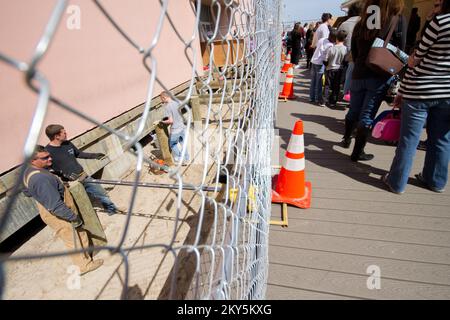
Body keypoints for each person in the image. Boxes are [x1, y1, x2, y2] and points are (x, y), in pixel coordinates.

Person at [383, 0, 450, 194]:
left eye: (437, 4)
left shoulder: (439, 22)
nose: (434, 8)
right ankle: (435, 181)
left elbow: (415, 60)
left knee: (409, 140)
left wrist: (408, 59)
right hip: (447, 93)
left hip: (420, 90)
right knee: (442, 140)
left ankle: (396, 182)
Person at [342, 0, 407, 162]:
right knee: (367, 115)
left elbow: (355, 49)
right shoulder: (396, 20)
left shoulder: (363, 21)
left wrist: (360, 63)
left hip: (358, 72)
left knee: (353, 110)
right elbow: (401, 48)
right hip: (379, 74)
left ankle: (346, 139)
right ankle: (357, 153)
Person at [23, 145, 104, 275]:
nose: (50, 159)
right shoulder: (40, 179)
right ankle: (84, 266)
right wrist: (73, 217)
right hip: (57, 212)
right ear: (33, 160)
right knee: (72, 238)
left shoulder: (29, 171)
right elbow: (55, 205)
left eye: (49, 155)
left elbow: (26, 192)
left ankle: (86, 255)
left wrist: (56, 187)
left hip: (50, 206)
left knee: (79, 233)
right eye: (45, 158)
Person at [45, 124, 120, 215]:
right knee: (79, 205)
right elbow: (48, 170)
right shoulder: (47, 152)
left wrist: (95, 156)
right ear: (56, 136)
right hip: (70, 183)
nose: (66, 133)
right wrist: (62, 175)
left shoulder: (67, 143)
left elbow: (79, 154)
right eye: (64, 133)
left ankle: (111, 210)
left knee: (101, 193)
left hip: (83, 176)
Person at [338, 2, 363, 101]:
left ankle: (346, 92)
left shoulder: (344, 24)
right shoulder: (364, 23)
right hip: (360, 53)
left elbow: (338, 38)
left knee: (348, 73)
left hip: (346, 53)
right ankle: (352, 95)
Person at [160, 91, 190, 164]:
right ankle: (186, 158)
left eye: (162, 99)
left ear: (165, 97)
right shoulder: (177, 103)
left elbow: (170, 121)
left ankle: (181, 158)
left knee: (172, 144)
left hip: (175, 129)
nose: (162, 101)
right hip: (182, 126)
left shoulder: (167, 107)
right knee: (183, 143)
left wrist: (163, 122)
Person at [310, 29, 337, 106]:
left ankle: (311, 97)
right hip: (320, 63)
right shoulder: (330, 45)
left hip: (314, 60)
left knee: (313, 81)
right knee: (319, 82)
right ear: (334, 38)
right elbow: (327, 57)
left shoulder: (322, 39)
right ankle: (318, 98)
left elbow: (316, 47)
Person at [324, 30, 348, 108]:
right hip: (340, 70)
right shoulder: (346, 49)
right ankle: (333, 102)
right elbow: (346, 61)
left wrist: (327, 66)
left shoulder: (331, 48)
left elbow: (325, 60)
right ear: (344, 39)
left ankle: (325, 99)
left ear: (336, 38)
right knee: (336, 86)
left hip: (330, 69)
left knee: (327, 85)